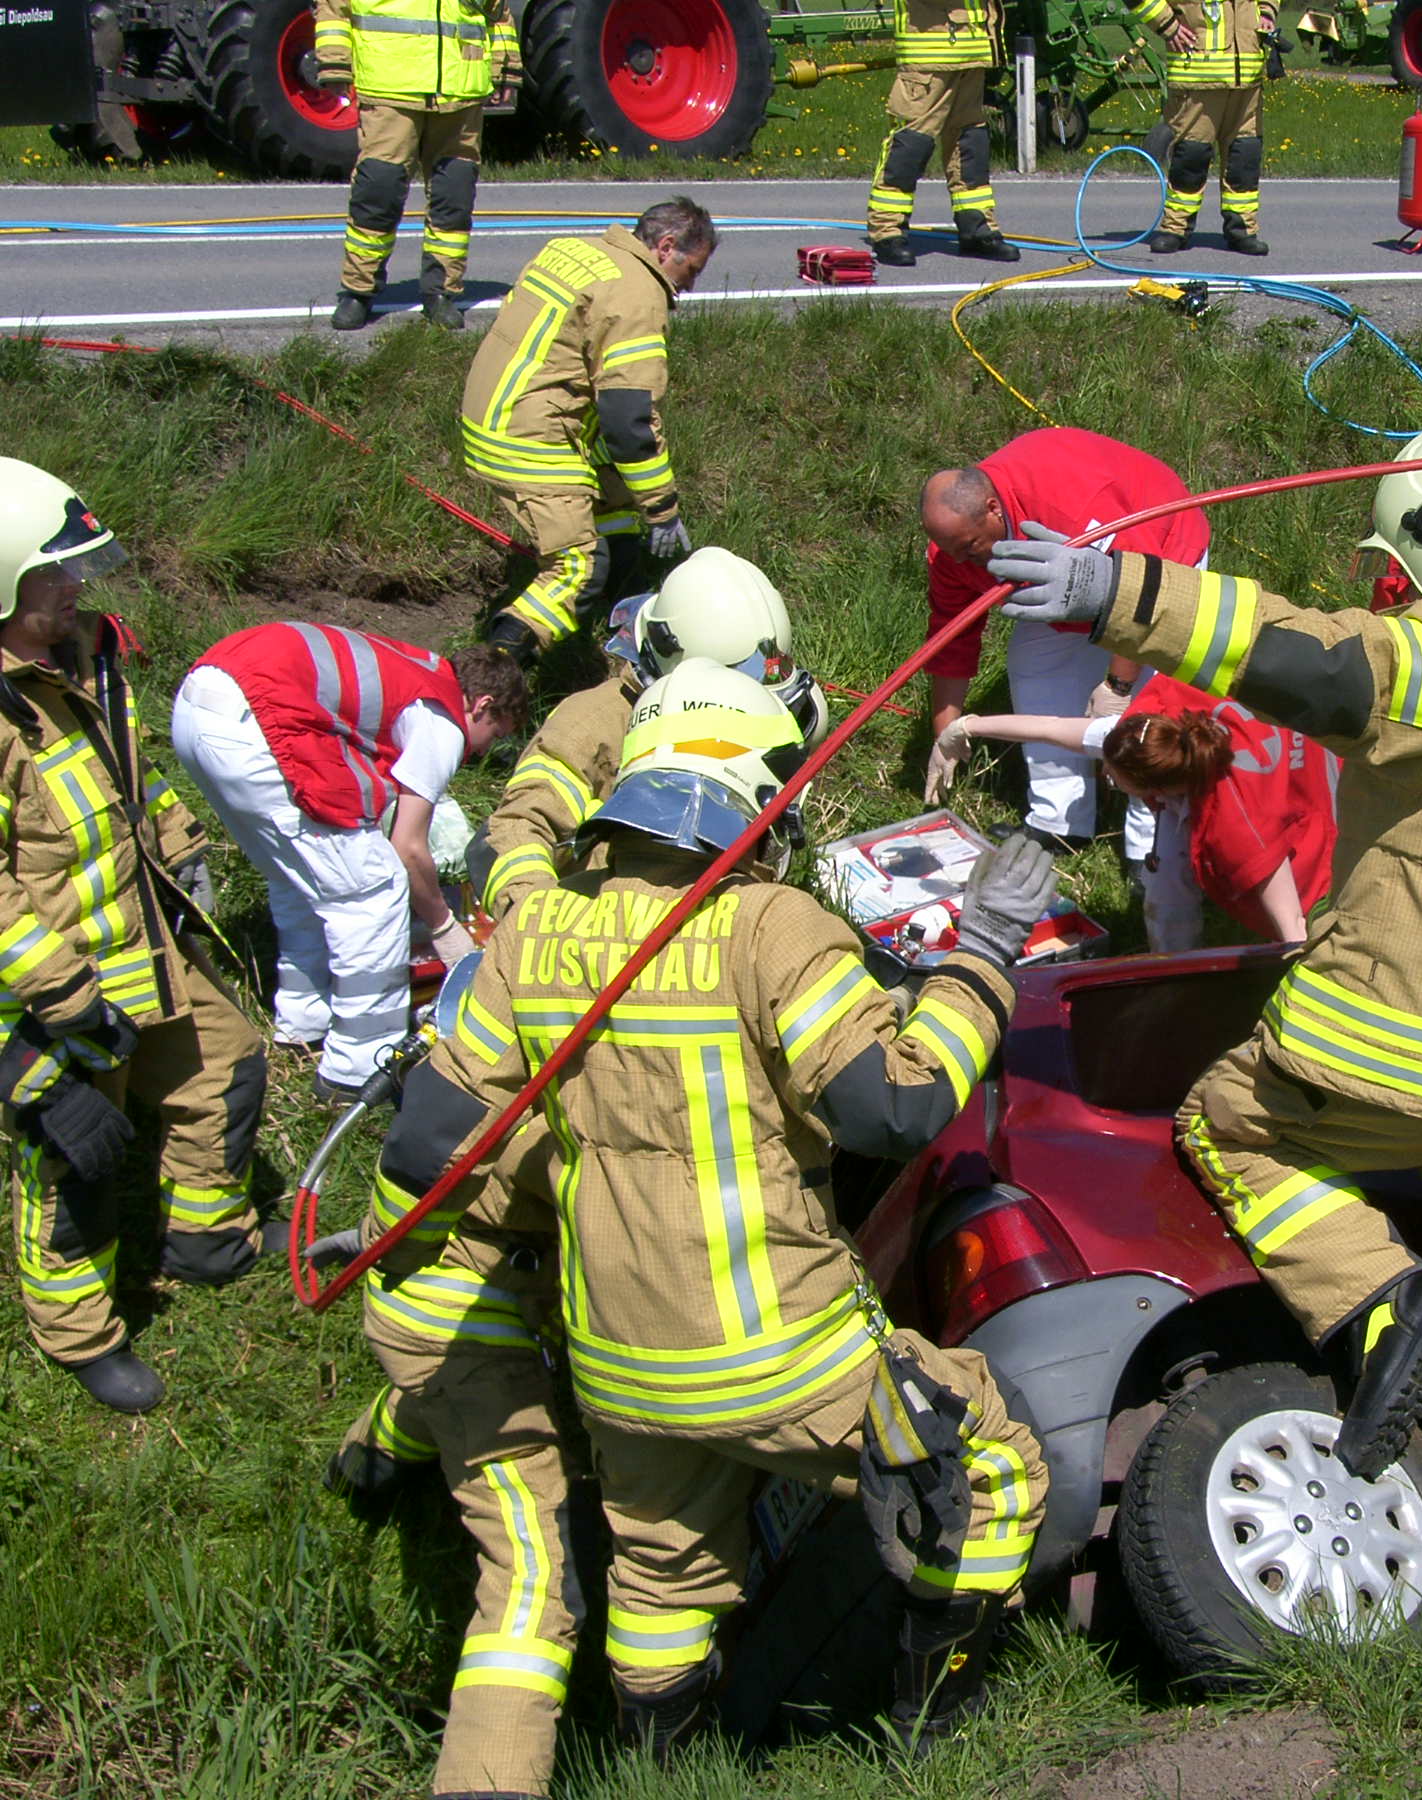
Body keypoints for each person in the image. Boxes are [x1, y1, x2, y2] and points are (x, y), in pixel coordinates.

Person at [989, 415, 1422, 1581]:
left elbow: (1305, 659)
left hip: (1392, 1046)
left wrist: (1117, 589)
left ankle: (1385, 1307)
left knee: (1232, 1126)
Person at [372, 663, 1057, 1751]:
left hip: (616, 1362)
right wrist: (981, 957)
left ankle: (665, 1760)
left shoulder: (534, 931)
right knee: (988, 1453)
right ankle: (939, 1710)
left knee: (661, 1566)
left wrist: (399, 1292)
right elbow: (896, 1106)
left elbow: (424, 1141)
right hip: (778, 1346)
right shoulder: (770, 925)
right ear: (754, 791)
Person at [0, 458, 268, 1414]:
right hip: (56, 991)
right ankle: (80, 1335)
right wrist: (63, 997)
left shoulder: (77, 663)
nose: (75, 586)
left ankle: (207, 1242)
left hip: (139, 945)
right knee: (76, 1158)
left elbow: (126, 772)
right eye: (52, 573)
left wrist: (178, 840)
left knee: (227, 1067)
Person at [319, 1113, 576, 1800]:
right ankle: (487, 1778)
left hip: (423, 1285)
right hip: (471, 1311)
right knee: (535, 1565)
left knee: (446, 1400)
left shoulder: (500, 1051)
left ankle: (365, 1463)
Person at [170, 624, 527, 1102]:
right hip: (255, 720)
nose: (481, 751)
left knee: (304, 879)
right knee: (374, 891)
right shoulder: (442, 717)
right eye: (493, 735)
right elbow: (408, 848)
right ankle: (357, 1068)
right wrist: (445, 928)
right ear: (482, 705)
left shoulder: (414, 671)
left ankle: (304, 1022)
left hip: (198, 706)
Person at [469, 546, 826, 924]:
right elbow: (516, 829)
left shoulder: (741, 711)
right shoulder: (591, 724)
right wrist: (542, 926)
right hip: (610, 924)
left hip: (713, 919)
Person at [918, 427, 1209, 856]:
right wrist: (946, 733)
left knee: (1149, 715)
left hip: (1159, 559)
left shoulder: (1071, 506)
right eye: (952, 552)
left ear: (993, 509)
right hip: (1062, 583)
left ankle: (1150, 849)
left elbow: (1141, 593)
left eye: (971, 547)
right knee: (1035, 669)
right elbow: (952, 636)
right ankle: (1059, 823)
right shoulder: (953, 551)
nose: (963, 562)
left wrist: (1118, 686)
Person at [459, 196, 717, 667]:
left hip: (489, 414)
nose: (689, 285)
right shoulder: (636, 296)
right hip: (528, 440)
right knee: (577, 569)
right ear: (666, 247)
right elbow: (628, 421)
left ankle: (621, 594)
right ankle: (491, 675)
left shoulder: (574, 250)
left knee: (611, 487)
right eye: (692, 269)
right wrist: (662, 510)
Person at [925, 673, 1338, 950]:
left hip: (1327, 810)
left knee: (1307, 912)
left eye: (1114, 779)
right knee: (1166, 886)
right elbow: (1054, 729)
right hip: (1299, 751)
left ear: (1154, 790)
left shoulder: (1237, 829)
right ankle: (1171, 970)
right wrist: (965, 727)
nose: (1106, 777)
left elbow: (1292, 926)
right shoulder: (1159, 733)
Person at [313, 0, 518, 332]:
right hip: (389, 86)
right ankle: (358, 291)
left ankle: (442, 292)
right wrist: (335, 63)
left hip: (461, 90)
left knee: (454, 196)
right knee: (378, 191)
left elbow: (498, 12)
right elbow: (335, 8)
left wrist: (506, 68)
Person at [865, 0, 1019, 267]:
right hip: (929, 55)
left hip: (972, 52)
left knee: (970, 144)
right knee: (911, 145)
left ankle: (977, 226)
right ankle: (887, 231)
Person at [1133, 0, 1275, 256]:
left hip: (1247, 78)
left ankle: (1243, 230)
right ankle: (1175, 229)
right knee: (1191, 156)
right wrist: (1168, 26)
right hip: (1196, 77)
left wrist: (1267, 12)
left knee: (1244, 158)